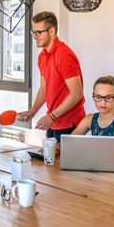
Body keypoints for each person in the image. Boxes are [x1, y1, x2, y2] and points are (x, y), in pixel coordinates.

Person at [18, 12, 85, 142]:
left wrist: (52, 116)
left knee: (64, 162)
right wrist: (33, 112)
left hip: (69, 124)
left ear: (52, 31)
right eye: (34, 33)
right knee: (48, 161)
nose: (35, 37)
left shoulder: (64, 55)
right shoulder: (42, 56)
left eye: (39, 32)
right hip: (54, 121)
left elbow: (77, 94)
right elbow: (44, 89)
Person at [71, 76, 114, 166]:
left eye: (108, 98)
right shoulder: (90, 119)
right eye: (98, 97)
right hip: (97, 169)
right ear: (93, 95)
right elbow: (69, 142)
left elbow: (112, 156)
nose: (103, 102)